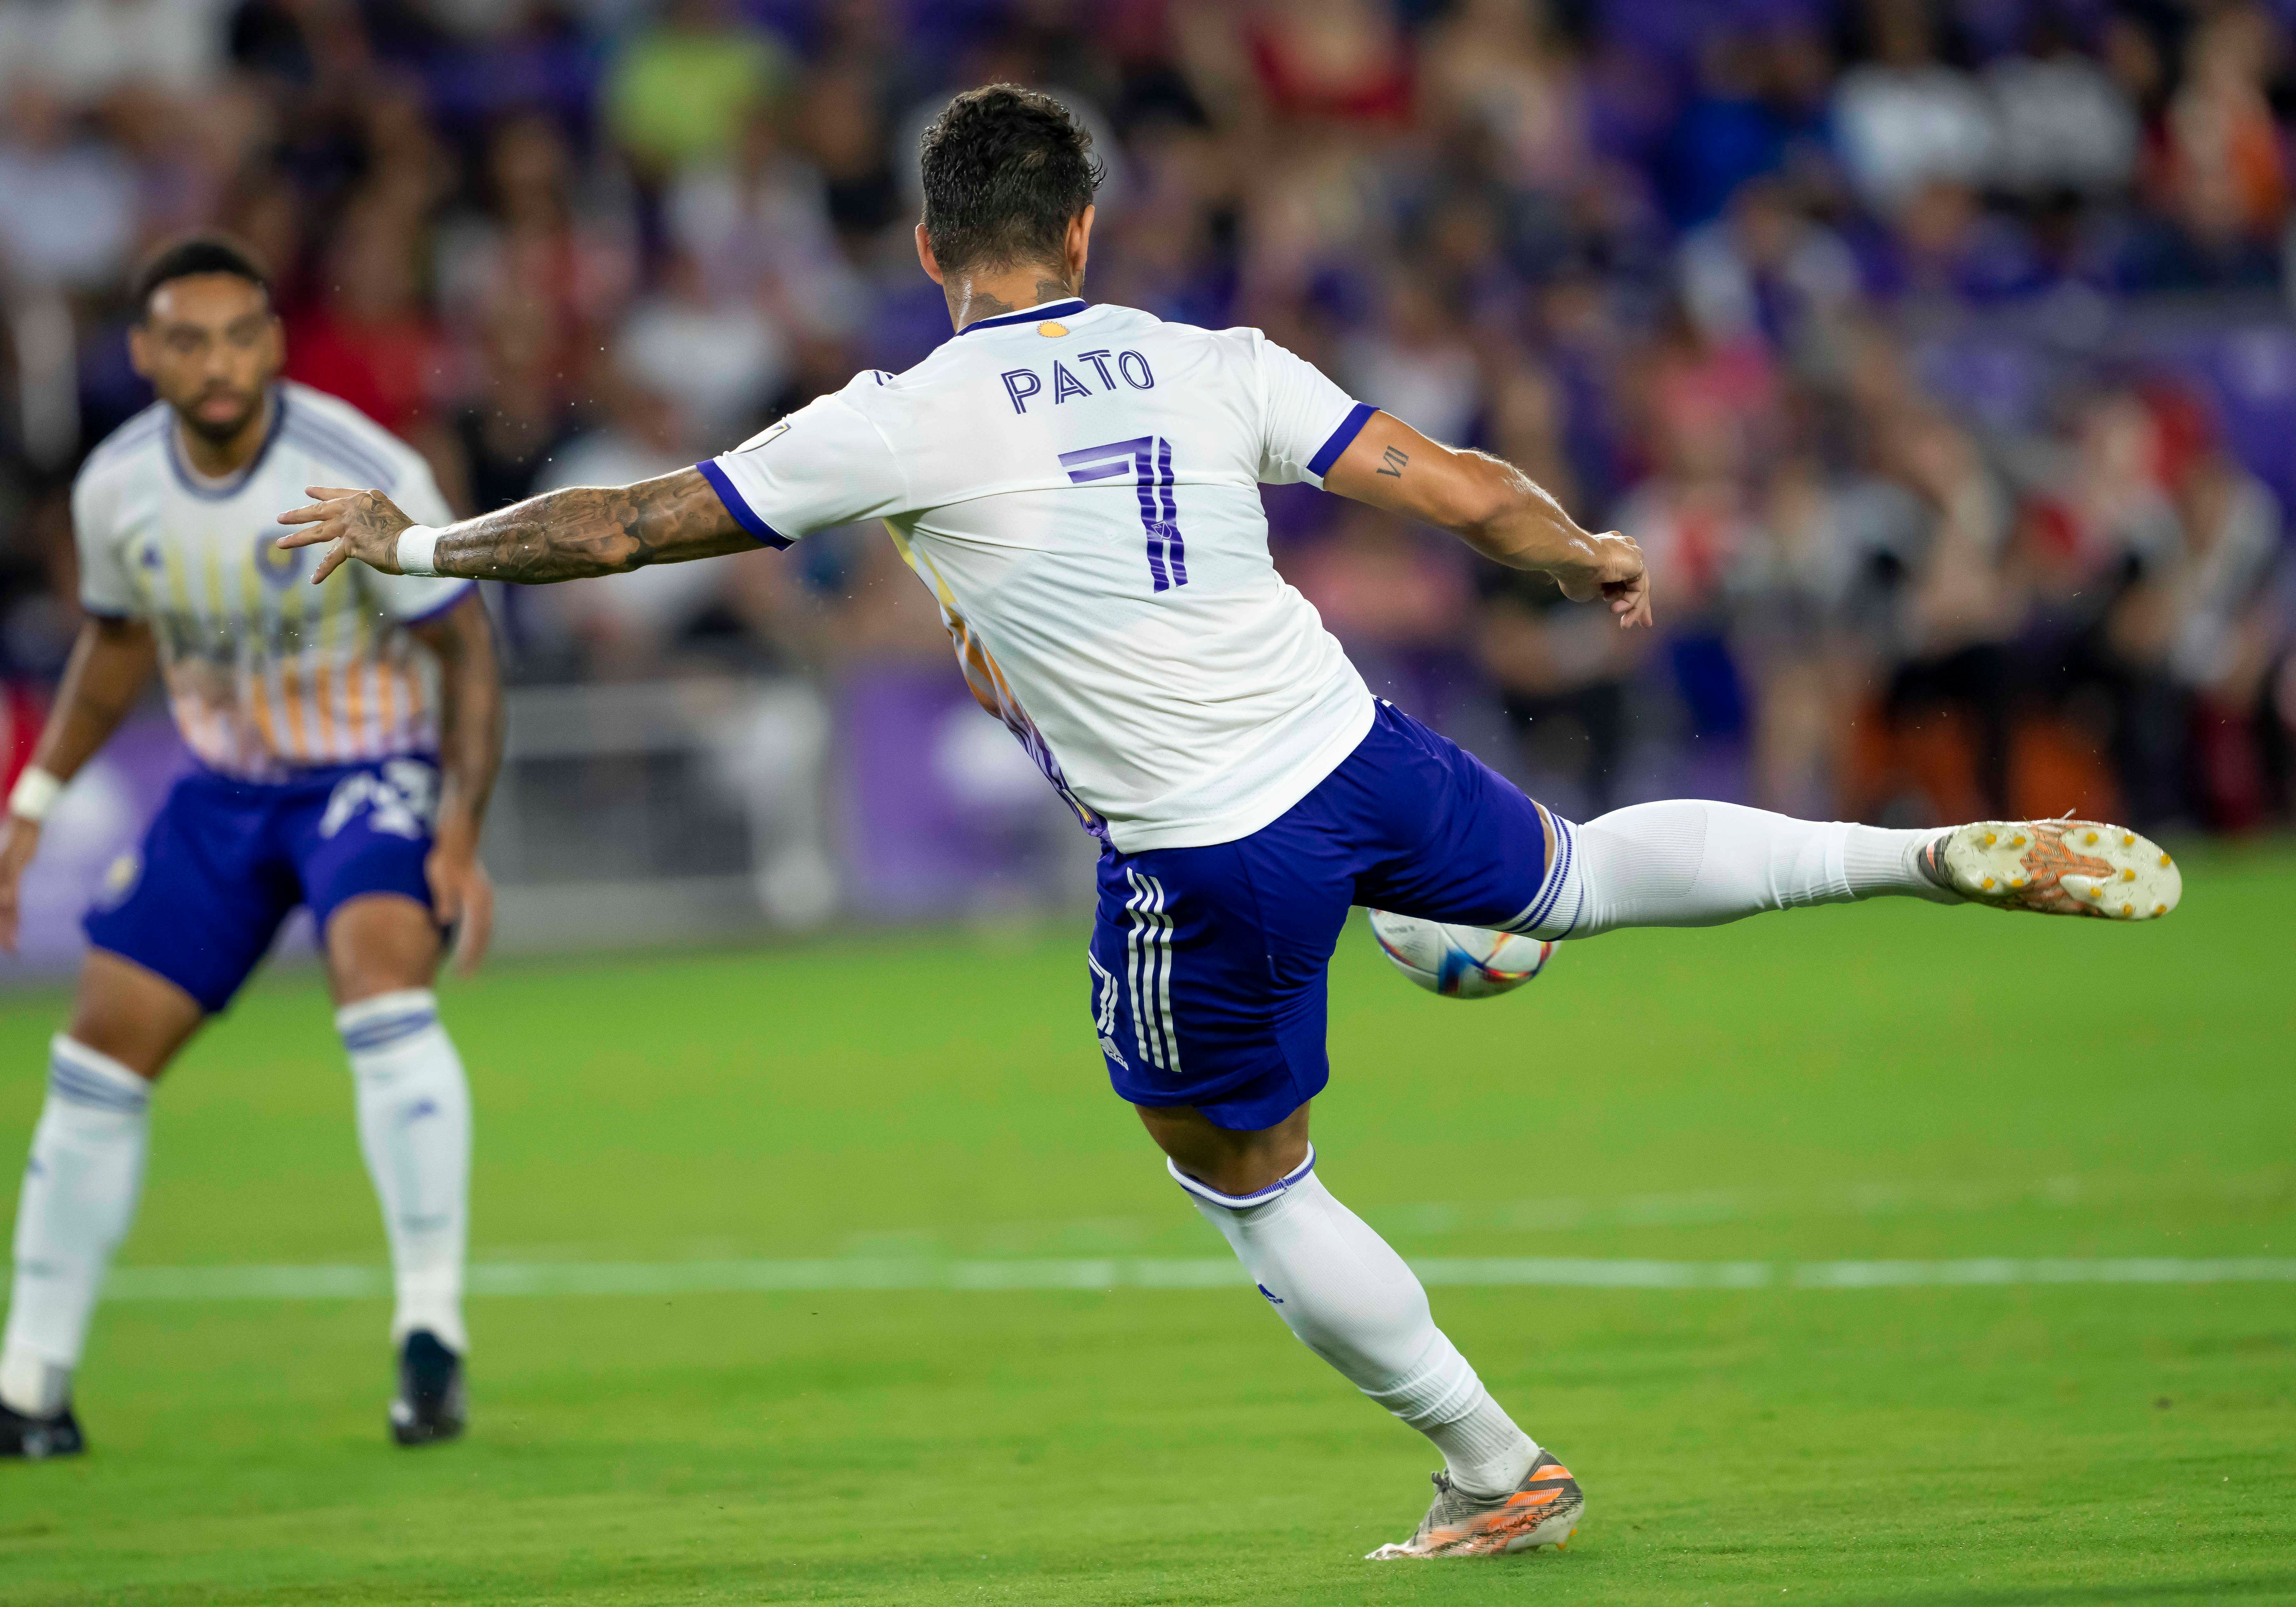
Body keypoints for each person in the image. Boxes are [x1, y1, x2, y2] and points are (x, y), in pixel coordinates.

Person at [278, 89, 2181, 1557]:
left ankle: (1491, 1466)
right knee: (1582, 871)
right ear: (1087, 227)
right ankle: (1909, 852)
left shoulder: (906, 412)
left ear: (937, 246)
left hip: (1202, 845)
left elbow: (624, 523)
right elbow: (1443, 481)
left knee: (1239, 1168)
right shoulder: (1218, 360)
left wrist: (421, 539)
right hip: (1355, 745)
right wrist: (1579, 551)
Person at [0, 236, 503, 1460]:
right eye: (189, 341)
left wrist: (459, 829)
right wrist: (31, 809)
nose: (218, 364)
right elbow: (118, 645)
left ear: (273, 345)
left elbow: (464, 649)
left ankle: (430, 1336)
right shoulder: (117, 485)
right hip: (223, 793)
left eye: (239, 337)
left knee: (381, 987)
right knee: (96, 1063)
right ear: (145, 356)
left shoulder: (362, 467)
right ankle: (29, 1387)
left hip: (367, 775)